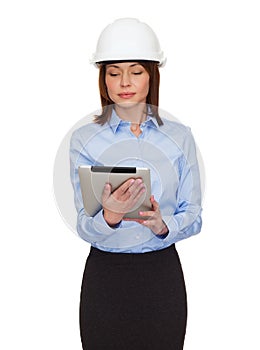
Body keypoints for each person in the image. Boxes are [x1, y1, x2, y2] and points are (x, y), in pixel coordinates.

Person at [70, 18, 202, 350]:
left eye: (136, 71)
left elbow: (194, 214)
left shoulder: (179, 137)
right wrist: (110, 216)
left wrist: (163, 224)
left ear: (152, 75)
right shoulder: (84, 139)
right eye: (113, 72)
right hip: (106, 277)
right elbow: (84, 225)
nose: (124, 82)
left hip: (161, 278)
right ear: (103, 78)